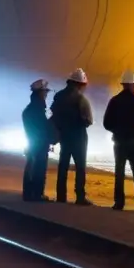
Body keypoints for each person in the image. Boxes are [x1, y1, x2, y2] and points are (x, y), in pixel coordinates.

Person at [103, 70, 134, 211]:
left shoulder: (114, 101)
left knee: (119, 172)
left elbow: (106, 123)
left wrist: (117, 130)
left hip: (119, 142)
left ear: (124, 84)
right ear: (131, 85)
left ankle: (119, 203)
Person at [52, 69, 94, 205]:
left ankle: (61, 196)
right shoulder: (81, 99)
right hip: (79, 136)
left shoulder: (58, 96)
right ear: (80, 84)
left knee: (63, 165)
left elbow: (54, 113)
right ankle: (80, 197)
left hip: (63, 135)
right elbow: (88, 121)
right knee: (80, 167)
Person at [21, 79, 53, 202]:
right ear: (40, 92)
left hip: (31, 143)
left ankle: (28, 193)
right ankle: (37, 194)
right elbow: (42, 128)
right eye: (45, 92)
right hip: (39, 144)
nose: (46, 94)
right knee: (39, 168)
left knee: (30, 166)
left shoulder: (29, 109)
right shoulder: (38, 109)